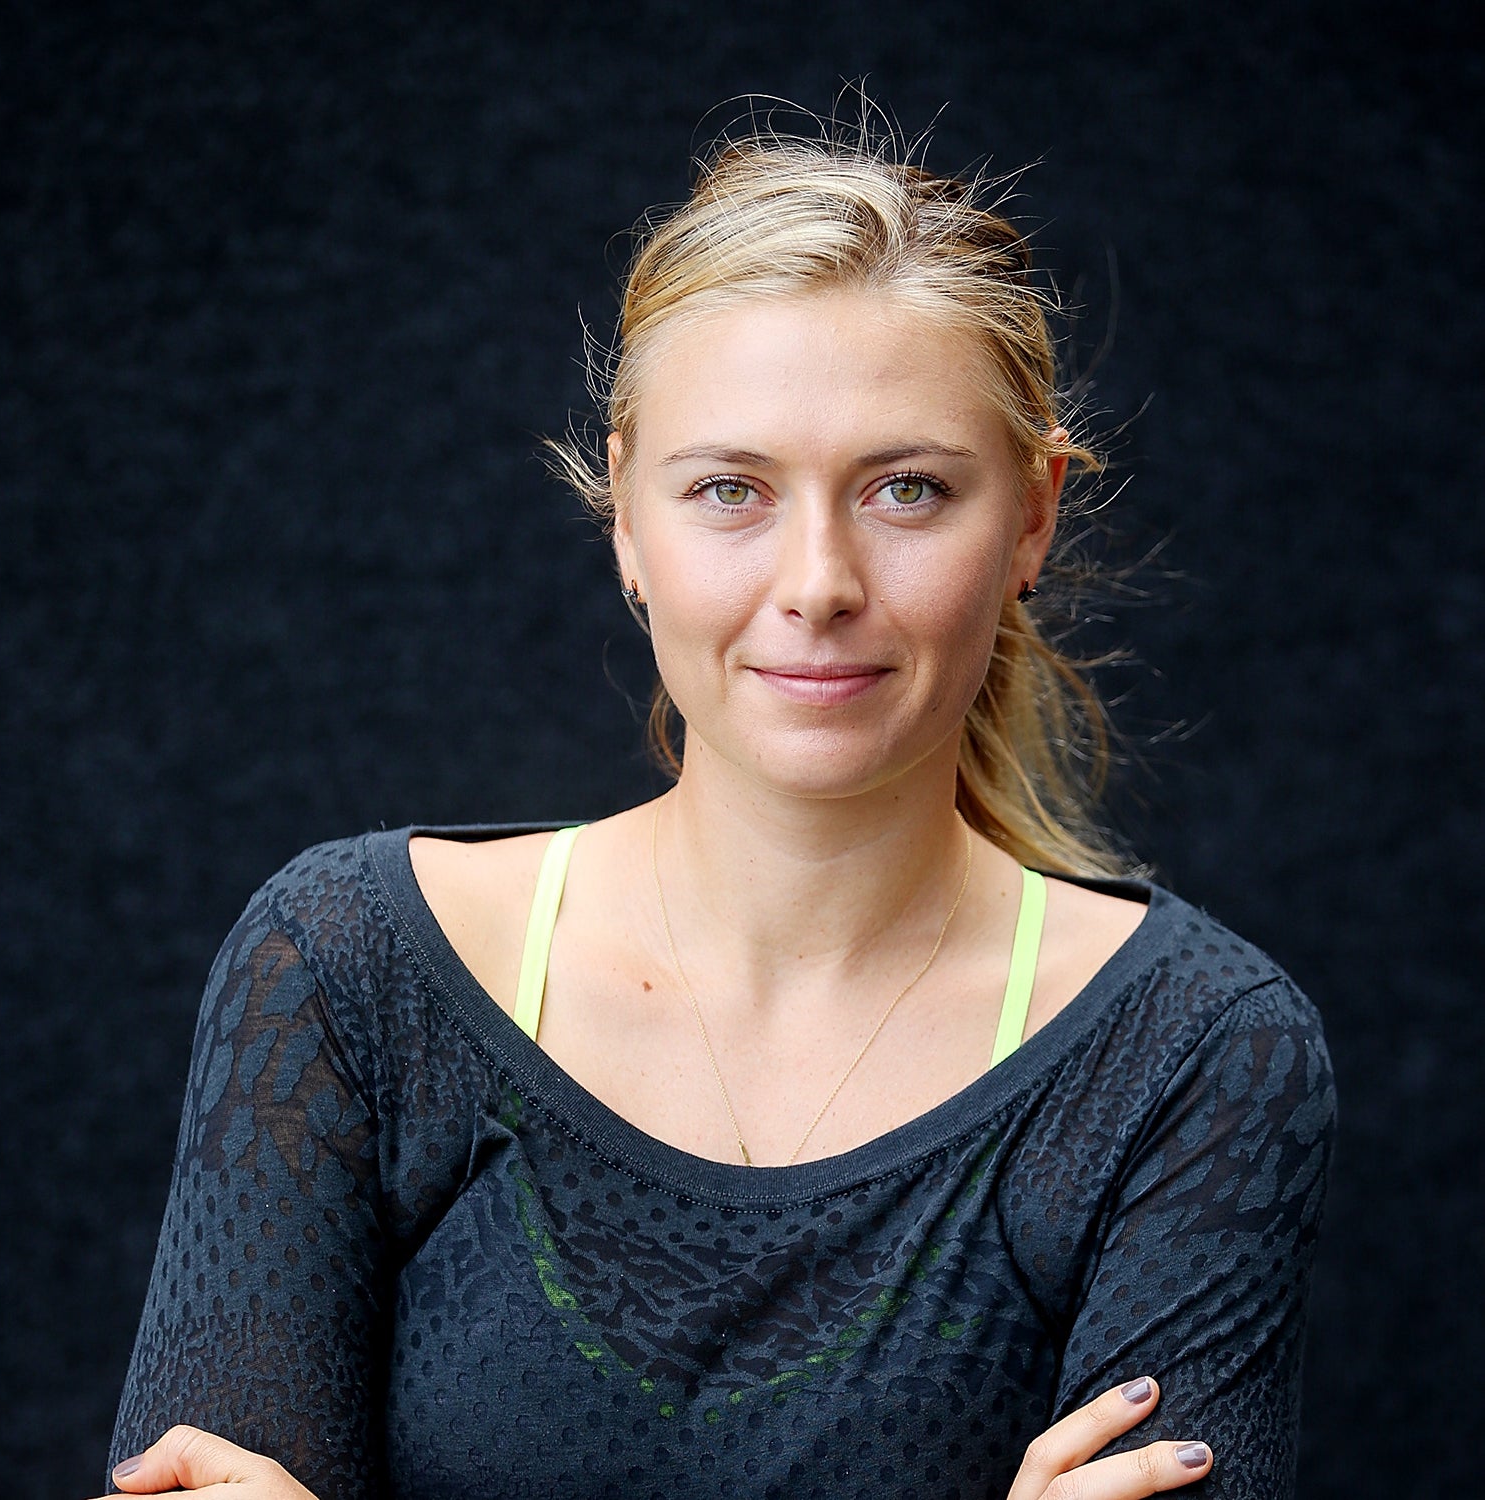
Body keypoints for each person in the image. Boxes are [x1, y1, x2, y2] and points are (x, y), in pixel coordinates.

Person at [102, 111, 1334, 1500]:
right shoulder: (345, 970)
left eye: (909, 489)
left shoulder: (1191, 1060)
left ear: (1034, 516)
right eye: (731, 489)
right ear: (627, 509)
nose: (817, 580)